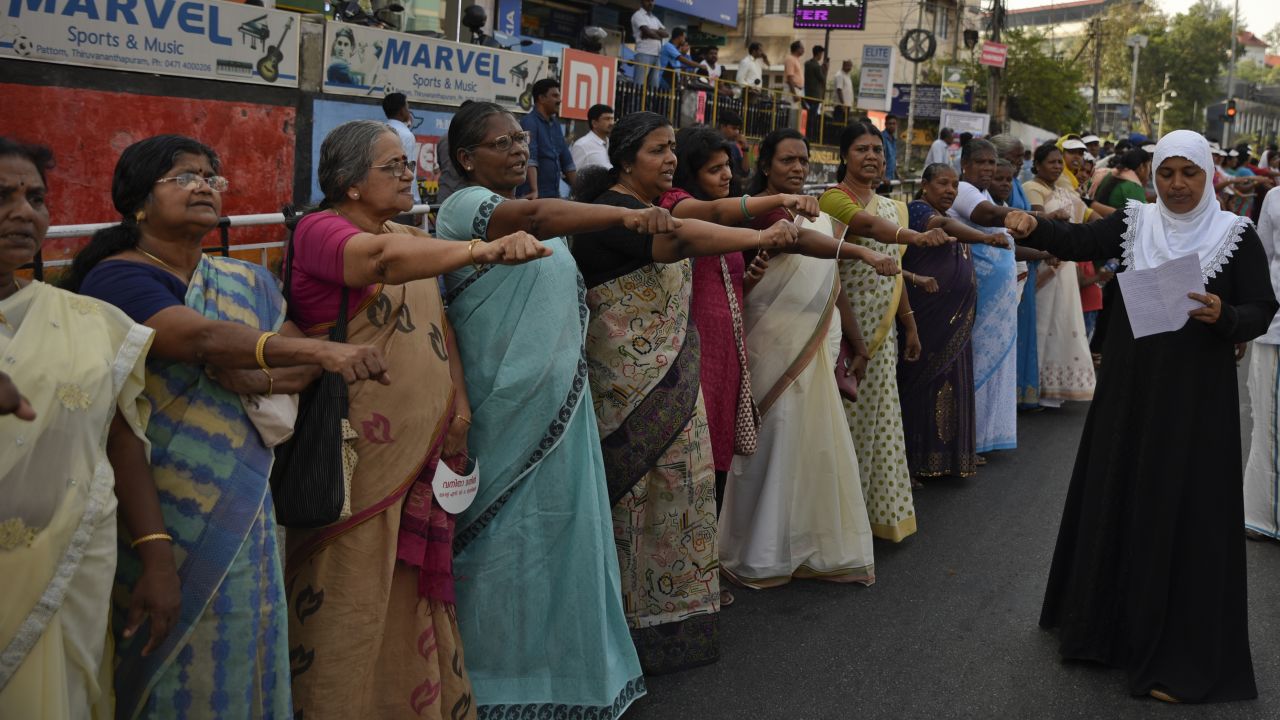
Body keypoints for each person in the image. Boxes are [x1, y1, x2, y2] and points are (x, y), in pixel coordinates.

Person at [65, 134, 391, 718]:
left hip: (247, 499)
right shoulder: (118, 279)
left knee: (249, 639)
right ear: (138, 200)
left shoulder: (243, 281)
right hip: (161, 504)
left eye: (211, 178)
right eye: (183, 177)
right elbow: (200, 337)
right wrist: (309, 357)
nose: (204, 187)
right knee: (167, 648)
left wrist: (259, 372)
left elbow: (289, 357)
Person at [283, 120, 549, 719]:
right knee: (350, 589)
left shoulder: (407, 233)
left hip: (421, 448)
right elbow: (379, 261)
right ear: (350, 184)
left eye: (409, 164)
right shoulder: (321, 231)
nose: (409, 174)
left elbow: (439, 327)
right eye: (393, 166)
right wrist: (484, 248)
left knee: (409, 591)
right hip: (355, 456)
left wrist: (458, 403)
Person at [436, 102, 687, 718]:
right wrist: (625, 217)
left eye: (522, 139)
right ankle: (496, 674)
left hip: (560, 408)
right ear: (468, 159)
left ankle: (563, 667)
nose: (519, 149)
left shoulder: (537, 214)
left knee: (559, 540)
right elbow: (541, 213)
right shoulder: (465, 206)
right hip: (506, 415)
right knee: (502, 549)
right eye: (502, 143)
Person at [1019, 129, 1275, 703]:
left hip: (1196, 405)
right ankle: (1105, 631)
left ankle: (1178, 651)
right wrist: (1033, 225)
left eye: (1189, 173)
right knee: (1121, 490)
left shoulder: (1235, 234)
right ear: (1153, 176)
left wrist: (1226, 315)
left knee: (1183, 511)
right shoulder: (1137, 223)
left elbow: (1261, 307)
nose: (1178, 185)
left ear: (1208, 174)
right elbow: (1080, 237)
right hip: (1129, 394)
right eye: (1166, 173)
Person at [570, 111, 804, 674]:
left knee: (682, 496)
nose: (671, 158)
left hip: (675, 384)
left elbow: (714, 211)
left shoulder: (658, 207)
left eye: (673, 148)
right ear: (625, 161)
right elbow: (686, 237)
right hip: (626, 393)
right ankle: (622, 633)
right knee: (635, 505)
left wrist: (767, 213)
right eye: (657, 150)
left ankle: (671, 619)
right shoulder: (614, 216)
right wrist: (762, 233)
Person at [662, 128, 899, 588]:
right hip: (757, 341)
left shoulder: (807, 211)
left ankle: (804, 542)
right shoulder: (742, 214)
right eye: (787, 160)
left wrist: (852, 338)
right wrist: (865, 251)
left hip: (809, 340)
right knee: (765, 441)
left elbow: (827, 277)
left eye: (803, 160)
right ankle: (753, 548)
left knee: (810, 440)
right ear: (766, 165)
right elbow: (772, 261)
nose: (797, 168)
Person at [0, 138, 178, 717]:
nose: (24, 212)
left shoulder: (87, 321)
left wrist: (155, 557)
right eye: (3, 196)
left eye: (35, 198)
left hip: (71, 574)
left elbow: (119, 438)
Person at [820, 121, 956, 541]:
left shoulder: (892, 204)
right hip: (844, 332)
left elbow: (894, 274)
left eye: (878, 150)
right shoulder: (833, 200)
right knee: (843, 424)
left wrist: (910, 325)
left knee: (879, 425)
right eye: (862, 149)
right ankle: (836, 524)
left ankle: (872, 517)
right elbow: (844, 256)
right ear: (845, 156)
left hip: (884, 336)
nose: (872, 157)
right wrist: (915, 235)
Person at [902, 163, 1009, 482]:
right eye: (942, 184)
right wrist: (984, 239)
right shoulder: (919, 212)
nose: (949, 190)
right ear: (924, 186)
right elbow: (942, 225)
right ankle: (917, 462)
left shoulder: (948, 216)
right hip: (930, 319)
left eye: (954, 185)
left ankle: (949, 460)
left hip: (955, 322)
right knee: (924, 387)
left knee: (953, 383)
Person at [945, 138, 1034, 455]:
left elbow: (1006, 238)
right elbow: (986, 217)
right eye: (981, 162)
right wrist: (1041, 218)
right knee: (976, 366)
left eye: (991, 163)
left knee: (996, 366)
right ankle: (968, 439)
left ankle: (983, 438)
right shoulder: (967, 191)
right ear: (965, 165)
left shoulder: (984, 192)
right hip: (977, 297)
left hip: (998, 300)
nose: (987, 168)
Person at [1022, 142, 1096, 407]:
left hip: (1063, 265)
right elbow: (1039, 224)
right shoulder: (1033, 188)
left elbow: (1088, 215)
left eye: (1058, 162)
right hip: (1045, 263)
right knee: (1043, 324)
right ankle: (1035, 387)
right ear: (1038, 165)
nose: (1056, 166)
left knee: (1061, 320)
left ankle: (1055, 388)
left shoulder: (1062, 190)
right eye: (1051, 162)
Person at [1245, 185, 1280, 542]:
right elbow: (1263, 259)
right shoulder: (1275, 198)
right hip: (1275, 331)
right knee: (1269, 420)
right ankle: (1263, 515)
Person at [518, 79, 576, 200]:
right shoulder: (529, 122)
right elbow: (530, 158)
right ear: (541, 98)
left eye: (559, 96)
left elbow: (567, 162)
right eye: (555, 95)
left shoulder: (555, 124)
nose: (559, 100)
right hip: (533, 197)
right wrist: (534, 190)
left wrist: (580, 191)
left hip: (552, 195)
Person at [382, 92, 422, 223]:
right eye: (407, 107)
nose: (409, 111)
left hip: (381, 199)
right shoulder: (406, 134)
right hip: (400, 201)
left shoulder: (381, 131)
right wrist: (416, 203)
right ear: (402, 110)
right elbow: (410, 171)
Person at [436, 100, 472, 203]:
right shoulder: (474, 140)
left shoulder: (443, 139)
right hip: (464, 199)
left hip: (445, 196)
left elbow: (442, 166)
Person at [630, 0, 667, 87]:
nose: (651, 3)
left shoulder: (654, 18)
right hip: (644, 54)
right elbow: (647, 32)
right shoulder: (638, 15)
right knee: (639, 85)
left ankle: (649, 101)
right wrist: (658, 35)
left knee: (653, 87)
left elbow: (666, 33)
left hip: (656, 55)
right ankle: (636, 101)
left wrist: (651, 31)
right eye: (648, 0)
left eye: (652, 1)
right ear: (642, 1)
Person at [571, 103, 614, 172]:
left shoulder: (612, 144)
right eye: (607, 119)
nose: (611, 123)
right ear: (594, 123)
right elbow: (573, 175)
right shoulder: (582, 145)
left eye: (612, 119)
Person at [803, 45, 828, 138]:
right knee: (813, 117)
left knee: (808, 115)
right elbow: (822, 79)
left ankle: (807, 133)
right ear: (818, 53)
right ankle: (811, 135)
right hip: (816, 96)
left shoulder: (807, 64)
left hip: (807, 94)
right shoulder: (816, 66)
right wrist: (825, 69)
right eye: (821, 53)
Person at [717, 110, 749, 178]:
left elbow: (745, 172)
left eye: (738, 129)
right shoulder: (712, 145)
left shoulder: (734, 147)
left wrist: (745, 149)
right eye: (734, 128)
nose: (737, 132)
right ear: (723, 126)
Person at [833, 59, 854, 124]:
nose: (850, 68)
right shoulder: (840, 75)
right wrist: (843, 104)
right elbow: (839, 89)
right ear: (844, 65)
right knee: (839, 124)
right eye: (848, 66)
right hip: (841, 106)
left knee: (844, 124)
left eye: (851, 66)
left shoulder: (847, 75)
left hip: (847, 105)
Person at [882, 115, 899, 182]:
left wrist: (898, 176)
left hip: (891, 178)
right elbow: (880, 158)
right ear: (885, 124)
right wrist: (882, 177)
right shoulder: (882, 137)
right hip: (882, 180)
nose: (892, 126)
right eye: (890, 124)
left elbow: (892, 161)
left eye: (894, 124)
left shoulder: (893, 140)